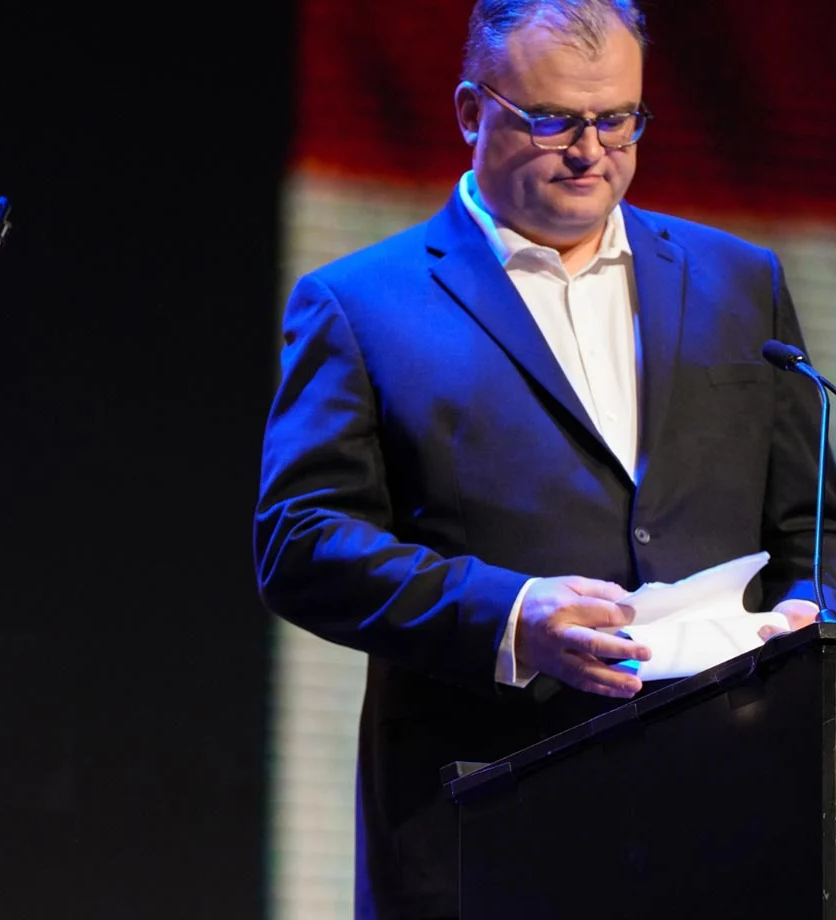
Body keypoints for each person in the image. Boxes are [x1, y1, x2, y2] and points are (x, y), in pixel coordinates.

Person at [253, 1, 831, 916]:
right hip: (486, 824)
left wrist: (810, 623)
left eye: (619, 119)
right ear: (470, 112)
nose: (591, 150)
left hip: (729, 818)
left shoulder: (739, 280)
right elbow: (301, 541)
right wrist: (516, 615)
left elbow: (814, 523)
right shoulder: (359, 303)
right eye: (554, 118)